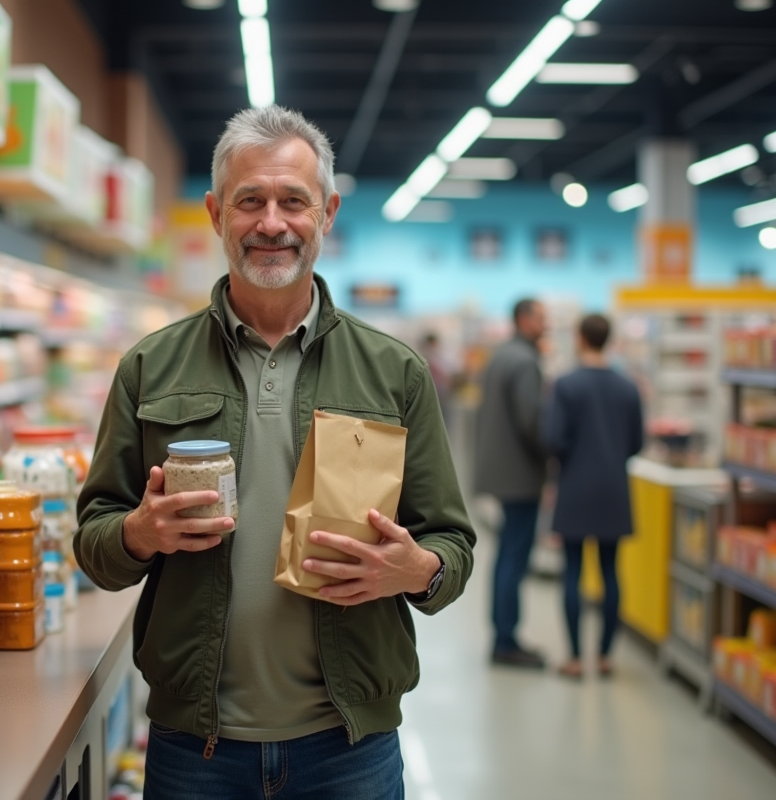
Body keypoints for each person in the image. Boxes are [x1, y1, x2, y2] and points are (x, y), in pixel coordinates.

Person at [74, 106, 476, 800]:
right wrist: (139, 533)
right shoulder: (150, 366)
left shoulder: (392, 372)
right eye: (249, 200)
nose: (271, 223)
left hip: (349, 747)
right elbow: (94, 542)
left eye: (293, 200)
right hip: (195, 747)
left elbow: (454, 546)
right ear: (214, 212)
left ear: (327, 214)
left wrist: (417, 568)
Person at [542, 313, 643, 679]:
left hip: (575, 486)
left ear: (581, 338)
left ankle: (573, 658)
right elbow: (636, 443)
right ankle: (604, 656)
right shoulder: (627, 387)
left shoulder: (566, 385)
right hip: (615, 487)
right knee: (610, 572)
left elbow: (554, 439)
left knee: (572, 571)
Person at [476, 298, 548, 668]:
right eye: (540, 318)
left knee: (506, 555)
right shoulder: (525, 362)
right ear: (523, 319)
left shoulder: (501, 356)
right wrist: (554, 455)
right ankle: (506, 640)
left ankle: (503, 635)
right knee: (515, 558)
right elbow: (532, 421)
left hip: (501, 472)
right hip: (520, 475)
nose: (545, 324)